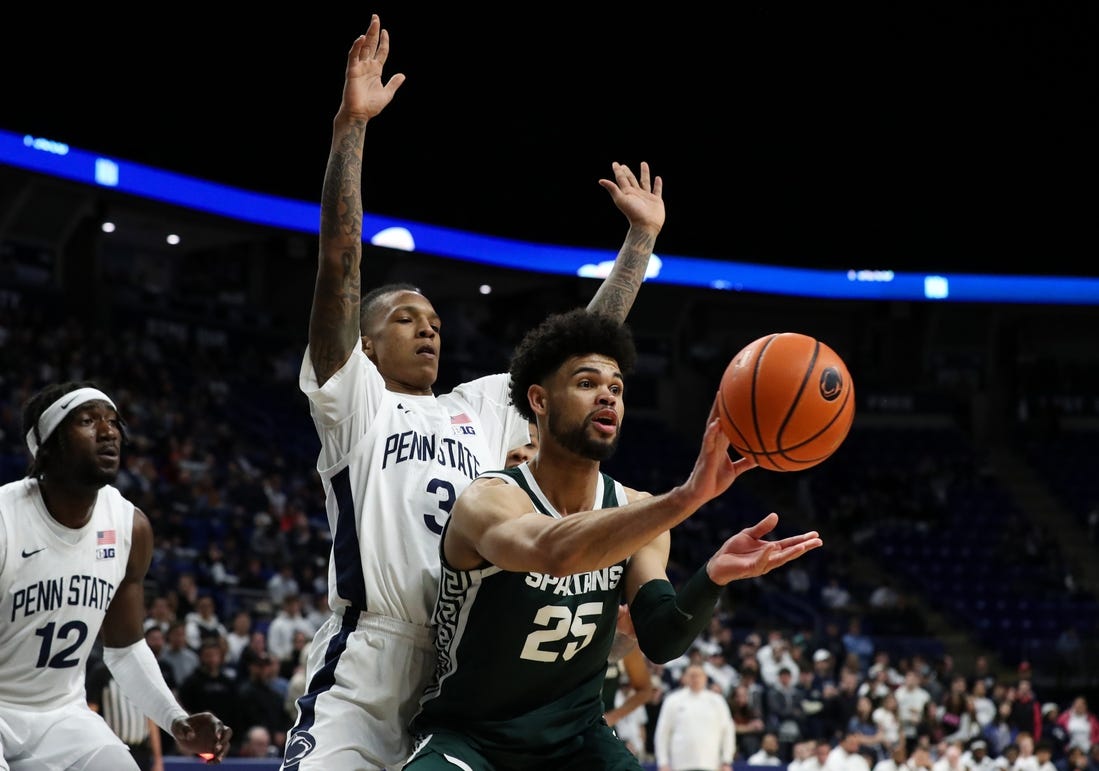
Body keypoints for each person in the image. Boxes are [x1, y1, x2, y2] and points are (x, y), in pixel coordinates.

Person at [284, 14, 666, 771]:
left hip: (470, 664)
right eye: (404, 319)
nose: (426, 330)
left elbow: (577, 353)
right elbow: (339, 264)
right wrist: (349, 130)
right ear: (364, 345)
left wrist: (638, 246)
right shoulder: (355, 398)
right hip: (371, 656)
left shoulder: (480, 404)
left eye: (432, 319)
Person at [404, 309, 822, 769]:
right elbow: (555, 551)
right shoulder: (489, 500)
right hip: (470, 737)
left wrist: (713, 577)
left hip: (576, 740)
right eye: (586, 384)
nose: (607, 395)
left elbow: (661, 639)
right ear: (539, 401)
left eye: (617, 388)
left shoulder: (635, 509)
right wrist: (685, 498)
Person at [0, 381, 232, 769]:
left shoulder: (129, 527)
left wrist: (177, 720)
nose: (109, 432)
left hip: (61, 715)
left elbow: (125, 650)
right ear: (47, 446)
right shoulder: (6, 520)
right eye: (87, 421)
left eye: (113, 422)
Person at [654, 663, 736, 771]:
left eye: (699, 675)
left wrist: (726, 760)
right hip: (680, 765)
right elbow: (662, 733)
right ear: (685, 678)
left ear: (705, 678)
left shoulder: (717, 701)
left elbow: (728, 732)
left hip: (711, 764)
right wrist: (663, 762)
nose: (695, 679)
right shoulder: (672, 700)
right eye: (692, 675)